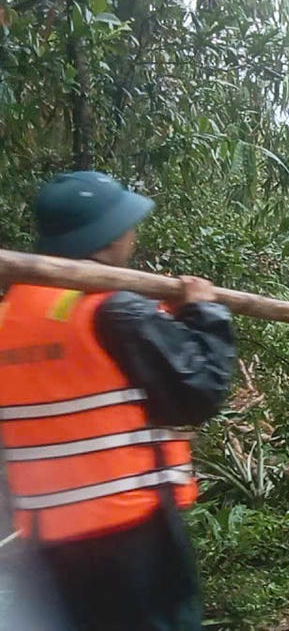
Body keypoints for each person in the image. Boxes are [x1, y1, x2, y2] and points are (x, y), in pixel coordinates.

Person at [0, 171, 234, 629]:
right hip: (133, 536)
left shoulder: (10, 316)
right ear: (109, 235)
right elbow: (200, 391)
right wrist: (203, 312)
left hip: (47, 544)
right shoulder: (111, 310)